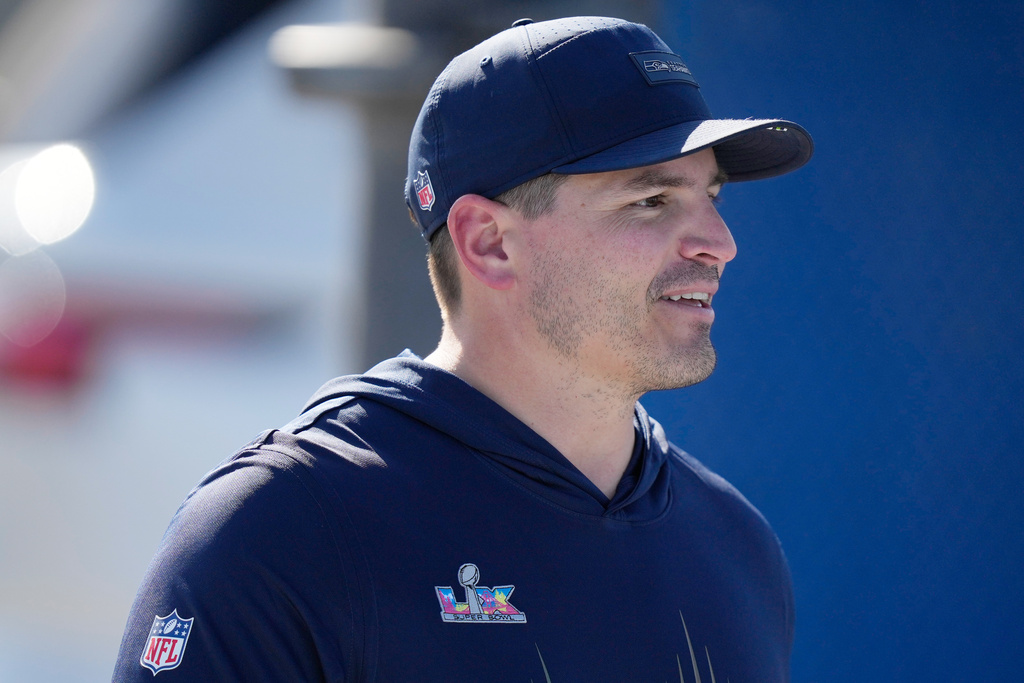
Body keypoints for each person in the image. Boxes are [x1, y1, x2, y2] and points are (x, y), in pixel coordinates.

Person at [113, 16, 812, 682]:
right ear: (489, 242)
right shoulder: (283, 531)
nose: (719, 244)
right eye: (652, 200)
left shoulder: (734, 547)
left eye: (712, 196)